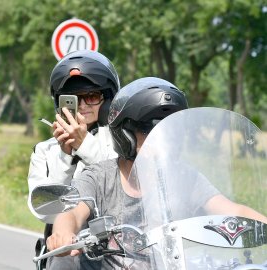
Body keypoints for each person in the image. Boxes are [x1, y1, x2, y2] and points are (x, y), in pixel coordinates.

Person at [46, 77, 267, 269]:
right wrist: (63, 234)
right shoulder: (100, 177)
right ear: (125, 135)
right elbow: (72, 212)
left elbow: (231, 209)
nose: (161, 138)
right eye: (147, 129)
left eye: (168, 129)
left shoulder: (184, 178)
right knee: (61, 263)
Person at [27, 50, 120, 223]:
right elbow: (46, 213)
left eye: (91, 96)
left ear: (107, 99)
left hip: (118, 240)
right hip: (67, 243)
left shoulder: (122, 141)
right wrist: (65, 157)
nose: (83, 105)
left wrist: (84, 145)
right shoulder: (44, 150)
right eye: (74, 98)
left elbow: (120, 186)